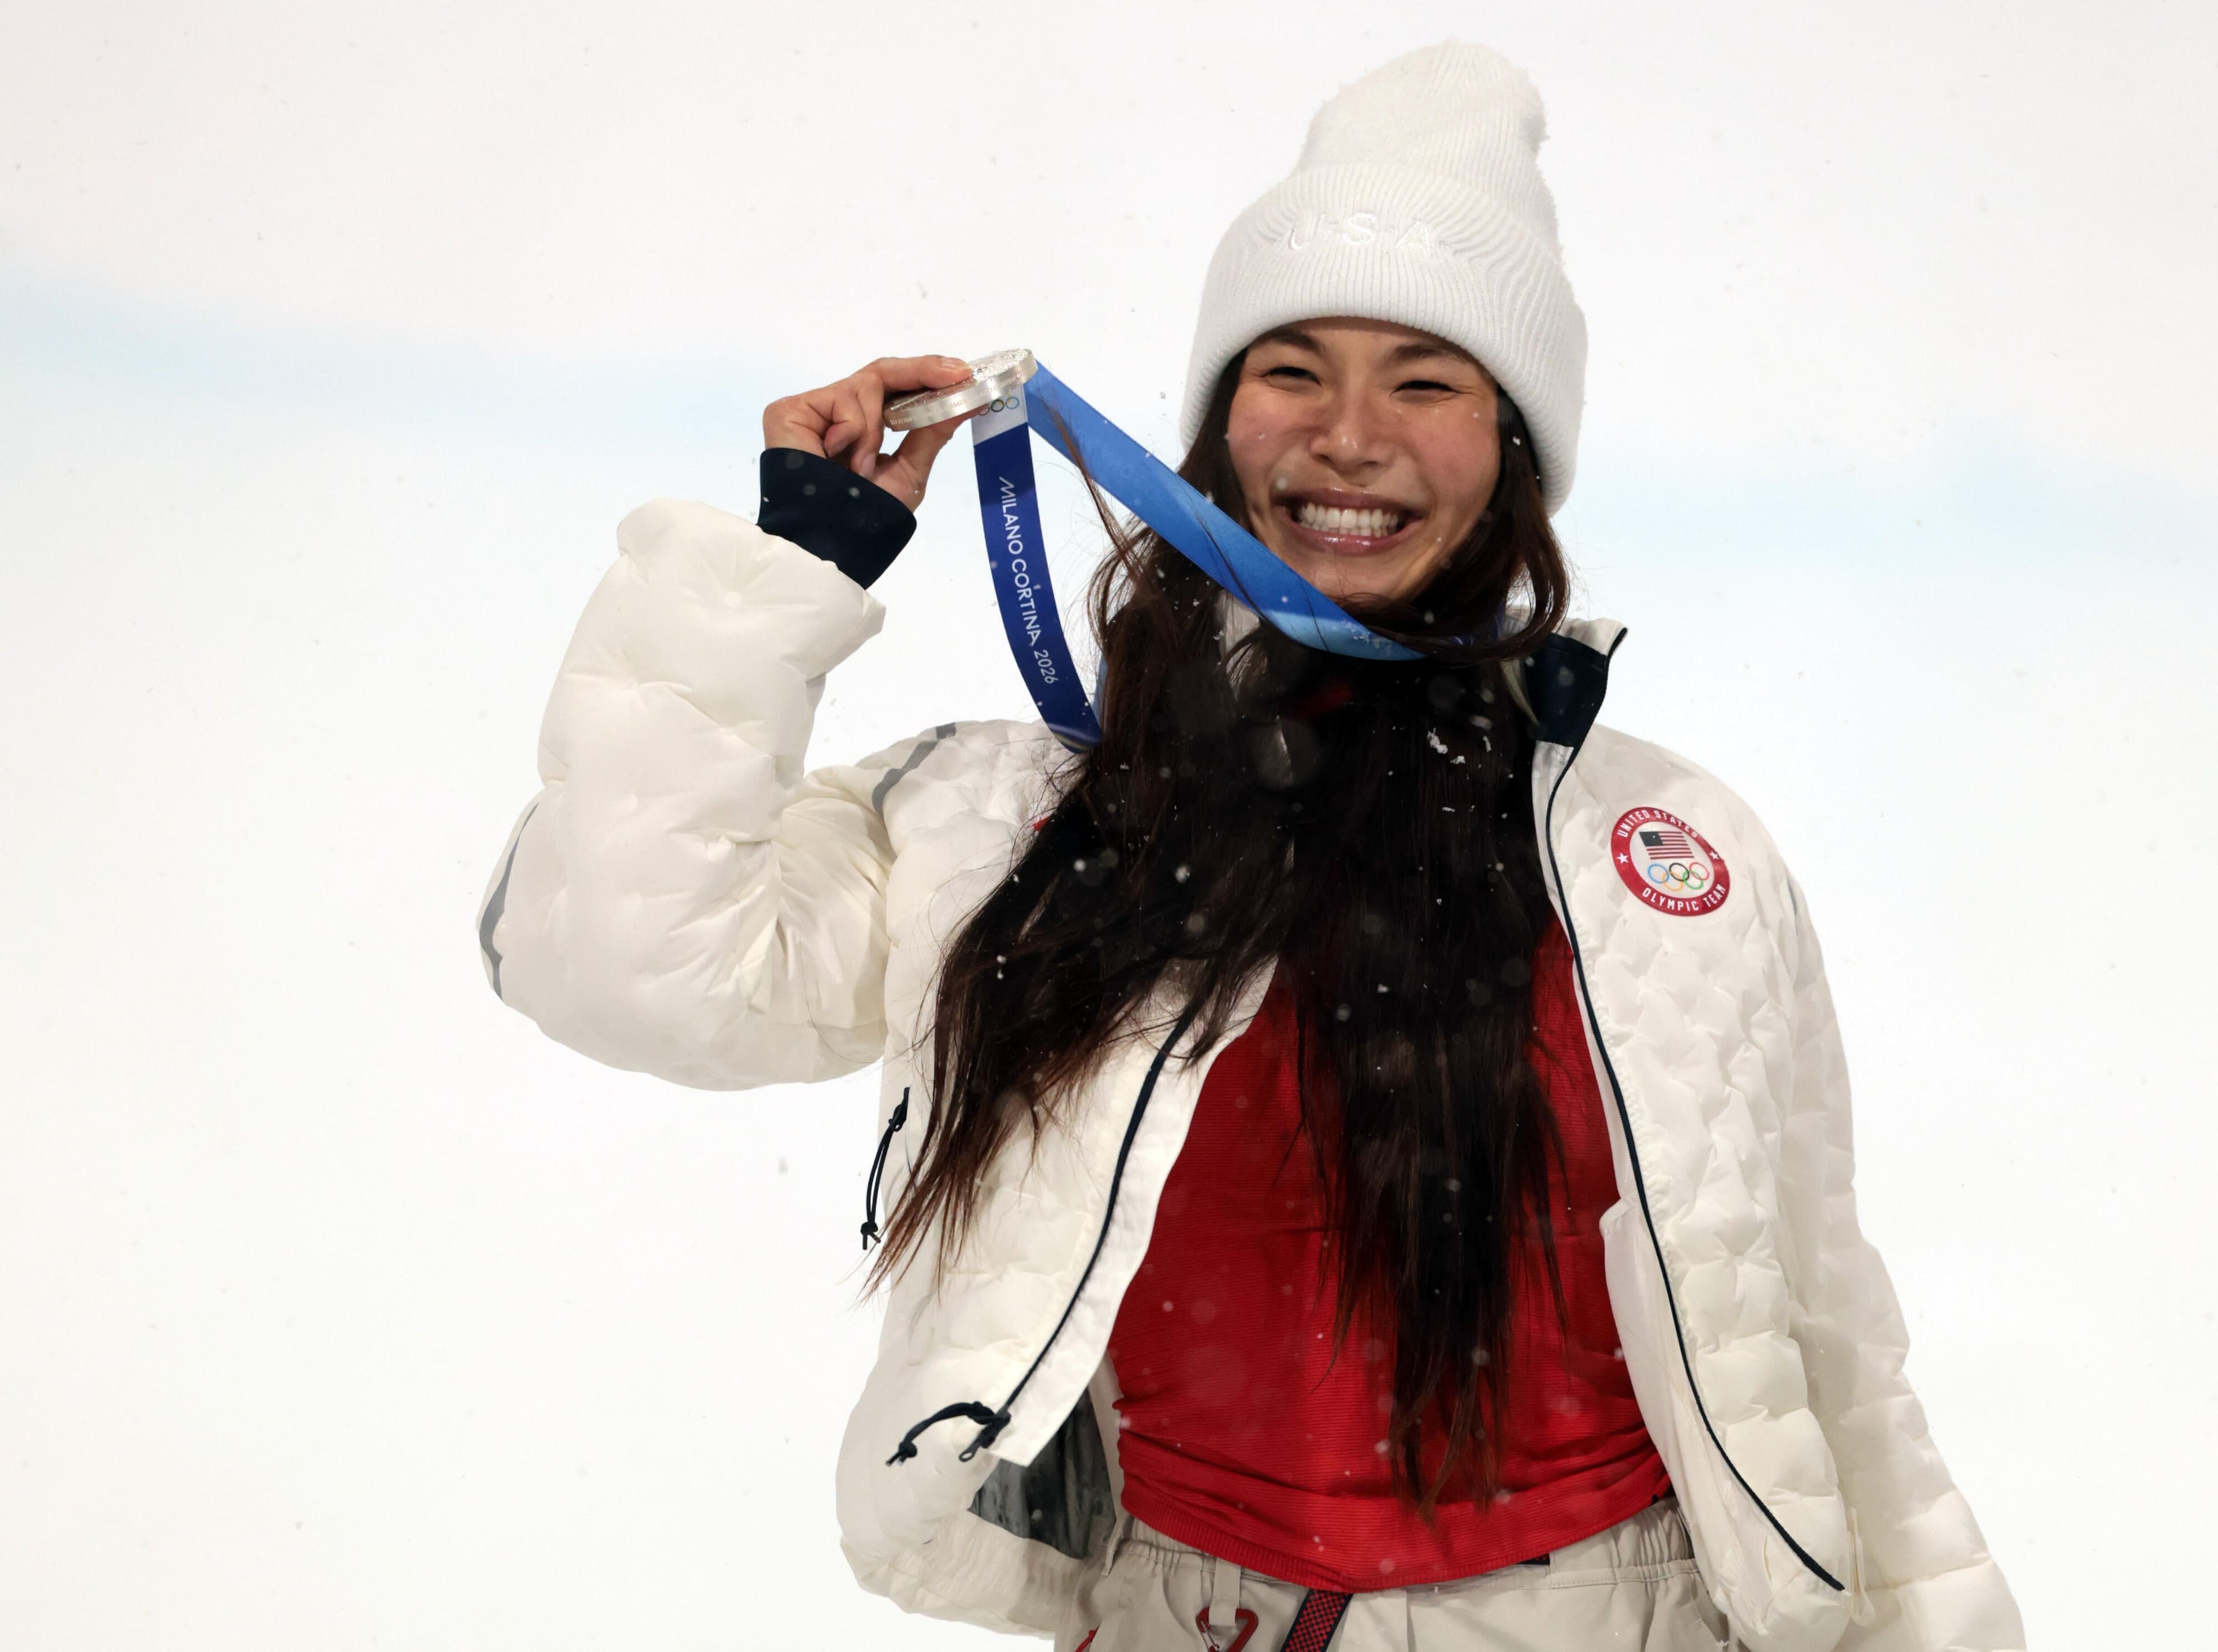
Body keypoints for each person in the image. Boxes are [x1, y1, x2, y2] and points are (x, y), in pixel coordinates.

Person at [476, 42, 2023, 1652]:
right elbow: (626, 958)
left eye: (1426, 382)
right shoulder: (1027, 821)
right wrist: (787, 565)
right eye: (1292, 369)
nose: (1350, 435)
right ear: (1217, 425)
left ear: (1513, 452)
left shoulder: (1671, 857)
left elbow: (1827, 1339)